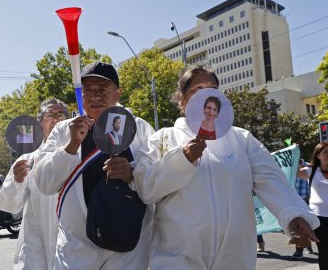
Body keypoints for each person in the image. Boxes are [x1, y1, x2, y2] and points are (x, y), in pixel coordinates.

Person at [133, 65, 320, 270]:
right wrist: (182, 160)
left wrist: (294, 215)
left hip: (234, 259)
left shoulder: (241, 139)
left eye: (213, 89)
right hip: (177, 260)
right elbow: (146, 188)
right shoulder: (162, 139)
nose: (206, 95)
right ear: (181, 99)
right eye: (198, 89)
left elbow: (271, 179)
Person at [34, 61, 155, 269]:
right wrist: (71, 146)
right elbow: (44, 183)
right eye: (87, 90)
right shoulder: (64, 130)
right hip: (76, 249)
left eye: (103, 89)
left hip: (129, 248)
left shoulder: (140, 128)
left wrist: (132, 173)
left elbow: (156, 182)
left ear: (118, 93)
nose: (95, 96)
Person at [0, 98, 68, 270]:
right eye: (50, 114)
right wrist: (17, 181)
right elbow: (7, 205)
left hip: (69, 248)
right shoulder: (26, 159)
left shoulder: (79, 155)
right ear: (39, 122)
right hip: (35, 250)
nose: (56, 119)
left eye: (61, 115)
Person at [308, 142, 328, 269]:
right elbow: (289, 171)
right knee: (325, 251)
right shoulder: (310, 171)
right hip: (319, 218)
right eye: (325, 152)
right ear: (318, 155)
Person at [293, 158, 314, 259]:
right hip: (292, 200)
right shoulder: (290, 166)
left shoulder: (308, 166)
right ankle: (304, 247)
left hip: (305, 200)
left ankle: (300, 249)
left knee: (302, 226)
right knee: (297, 227)